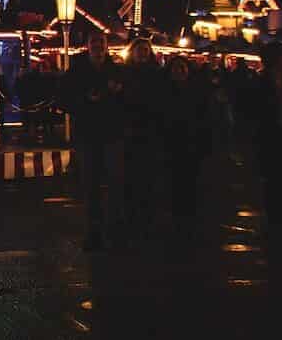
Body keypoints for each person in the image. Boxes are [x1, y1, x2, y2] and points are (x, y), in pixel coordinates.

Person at [239, 42, 282, 240]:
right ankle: (276, 221)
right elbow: (251, 111)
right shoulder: (260, 81)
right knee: (273, 183)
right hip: (270, 139)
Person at [64, 30, 126, 250]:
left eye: (101, 42)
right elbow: (64, 99)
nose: (98, 45)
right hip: (88, 135)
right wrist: (85, 100)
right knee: (91, 187)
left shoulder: (117, 70)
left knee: (114, 186)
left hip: (112, 135)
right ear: (88, 45)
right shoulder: (77, 71)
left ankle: (112, 232)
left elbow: (128, 102)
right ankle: (93, 233)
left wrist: (118, 93)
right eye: (94, 41)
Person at [160, 58, 210, 238]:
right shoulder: (165, 92)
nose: (179, 72)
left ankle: (188, 215)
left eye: (182, 68)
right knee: (174, 181)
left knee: (190, 180)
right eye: (176, 68)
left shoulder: (197, 91)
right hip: (171, 143)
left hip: (192, 142)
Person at [121, 40, 166, 240]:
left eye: (145, 50)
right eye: (140, 50)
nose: (143, 53)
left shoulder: (157, 74)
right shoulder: (125, 73)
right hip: (130, 129)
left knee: (149, 175)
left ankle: (148, 217)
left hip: (150, 129)